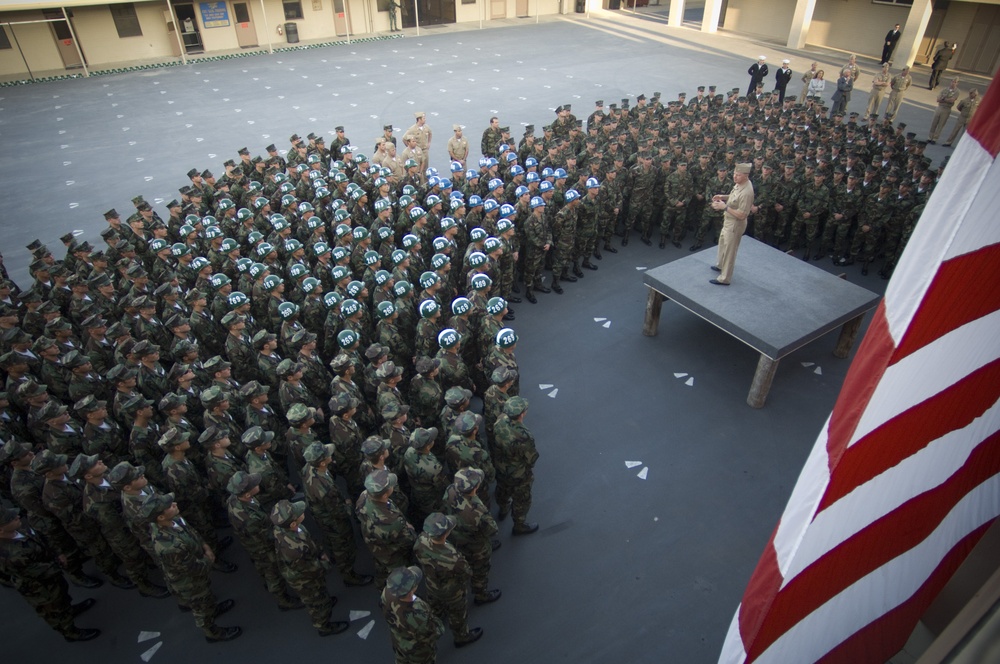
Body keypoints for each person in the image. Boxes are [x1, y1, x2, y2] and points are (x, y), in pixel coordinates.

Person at [142, 492, 243, 642]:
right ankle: (212, 632)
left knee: (206, 597)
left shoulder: (173, 519)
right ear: (160, 517)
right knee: (200, 607)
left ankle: (213, 609)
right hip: (189, 581)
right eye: (169, 506)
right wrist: (209, 560)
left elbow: (191, 531)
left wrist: (205, 546)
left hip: (198, 565)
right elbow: (191, 567)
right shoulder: (169, 545)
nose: (174, 504)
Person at [0, 506, 100, 642]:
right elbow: (37, 571)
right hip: (39, 587)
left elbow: (42, 540)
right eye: (11, 519)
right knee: (54, 610)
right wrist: (59, 564)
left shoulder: (18, 529)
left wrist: (58, 554)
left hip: (51, 573)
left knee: (62, 595)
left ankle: (69, 610)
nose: (17, 517)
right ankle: (70, 632)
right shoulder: (8, 555)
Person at [412, 512, 483, 648]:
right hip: (453, 592)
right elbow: (467, 573)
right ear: (446, 534)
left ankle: (437, 617)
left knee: (435, 607)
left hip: (432, 586)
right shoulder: (454, 559)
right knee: (457, 615)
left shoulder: (421, 542)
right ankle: (461, 636)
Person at [492, 396, 539, 533]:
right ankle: (519, 525)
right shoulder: (524, 435)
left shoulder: (499, 421)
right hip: (518, 474)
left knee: (502, 489)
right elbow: (531, 459)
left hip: (501, 467)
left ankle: (503, 509)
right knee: (522, 499)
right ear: (522, 413)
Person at [380, 565, 445, 664]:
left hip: (398, 641)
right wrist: (438, 624)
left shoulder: (387, 592)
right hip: (418, 652)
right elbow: (431, 634)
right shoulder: (418, 612)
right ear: (411, 591)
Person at [708, 163, 755, 286]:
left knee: (730, 251)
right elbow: (734, 197)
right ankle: (720, 265)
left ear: (746, 175)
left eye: (738, 175)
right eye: (734, 174)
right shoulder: (741, 184)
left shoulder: (747, 192)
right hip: (729, 221)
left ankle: (725, 278)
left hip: (735, 224)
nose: (735, 177)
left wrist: (725, 207)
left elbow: (742, 215)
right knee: (723, 243)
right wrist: (723, 197)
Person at [928, 78, 961, 144]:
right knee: (934, 123)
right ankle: (930, 137)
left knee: (941, 124)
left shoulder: (957, 91)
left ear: (957, 83)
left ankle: (935, 138)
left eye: (955, 82)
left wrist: (943, 99)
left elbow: (952, 100)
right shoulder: (944, 89)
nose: (953, 83)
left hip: (946, 109)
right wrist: (946, 99)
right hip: (939, 107)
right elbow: (938, 99)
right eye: (952, 81)